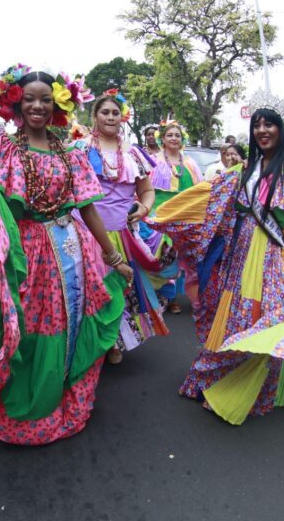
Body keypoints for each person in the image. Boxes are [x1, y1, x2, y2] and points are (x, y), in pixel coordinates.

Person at [146, 92, 284, 425]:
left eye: (268, 124)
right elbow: (210, 198)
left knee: (266, 318)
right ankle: (214, 379)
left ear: (280, 129)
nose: (262, 130)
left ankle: (245, 387)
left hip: (274, 253)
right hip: (240, 253)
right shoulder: (246, 167)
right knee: (235, 317)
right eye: (256, 124)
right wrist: (164, 216)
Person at [0, 65, 132, 444]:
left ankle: (60, 390)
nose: (37, 106)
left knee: (69, 326)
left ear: (57, 105)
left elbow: (88, 208)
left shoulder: (71, 154)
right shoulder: (3, 148)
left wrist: (114, 257)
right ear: (15, 102)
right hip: (27, 255)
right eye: (29, 98)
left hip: (72, 252)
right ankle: (20, 395)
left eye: (45, 99)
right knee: (25, 328)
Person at [77, 90, 169, 364]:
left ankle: (113, 342)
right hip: (86, 234)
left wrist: (143, 208)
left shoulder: (133, 154)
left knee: (118, 291)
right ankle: (90, 344)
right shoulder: (80, 150)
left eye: (115, 113)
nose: (110, 117)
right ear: (94, 116)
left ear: (122, 118)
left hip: (121, 234)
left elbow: (147, 190)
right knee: (88, 291)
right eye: (104, 112)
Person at [147, 120, 202, 314]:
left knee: (180, 258)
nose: (174, 138)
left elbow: (197, 191)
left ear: (182, 139)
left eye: (177, 135)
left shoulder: (190, 164)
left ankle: (173, 298)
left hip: (183, 218)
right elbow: (146, 191)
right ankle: (158, 296)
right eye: (169, 135)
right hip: (158, 217)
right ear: (162, 139)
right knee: (160, 257)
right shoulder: (153, 160)